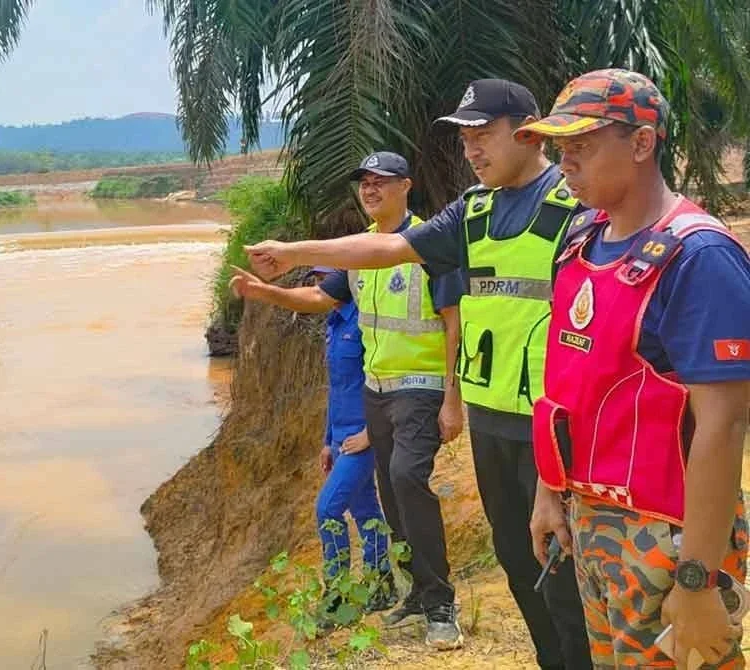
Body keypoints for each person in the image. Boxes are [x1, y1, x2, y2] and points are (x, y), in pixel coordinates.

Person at [244, 80, 593, 669]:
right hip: (492, 418)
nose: (472, 151)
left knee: (560, 566)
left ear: (529, 130)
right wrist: (297, 252)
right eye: (465, 140)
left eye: (483, 135)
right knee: (514, 556)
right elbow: (386, 248)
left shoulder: (574, 205)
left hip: (553, 423)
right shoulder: (473, 210)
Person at [520, 68, 750, 669]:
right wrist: (552, 491)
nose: (565, 163)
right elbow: (572, 387)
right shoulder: (581, 242)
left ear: (643, 143)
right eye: (560, 149)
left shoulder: (698, 257)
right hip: (592, 525)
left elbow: (722, 428)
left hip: (668, 536)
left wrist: (697, 579)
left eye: (582, 146)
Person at [230, 151, 466, 650]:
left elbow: (452, 321)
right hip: (376, 389)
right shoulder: (358, 254)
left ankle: (442, 605)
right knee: (391, 492)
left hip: (420, 386)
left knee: (407, 478)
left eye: (381, 182)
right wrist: (264, 293)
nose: (370, 189)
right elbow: (320, 300)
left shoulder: (429, 243)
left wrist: (452, 397)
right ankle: (416, 593)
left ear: (407, 185)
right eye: (364, 182)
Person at [295, 266, 395, 625]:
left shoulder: (365, 323)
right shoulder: (334, 323)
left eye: (323, 280)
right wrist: (326, 441)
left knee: (327, 510)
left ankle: (336, 595)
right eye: (313, 282)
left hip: (362, 438)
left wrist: (372, 431)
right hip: (340, 438)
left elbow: (383, 378)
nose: (317, 287)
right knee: (367, 511)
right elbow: (337, 388)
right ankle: (381, 584)